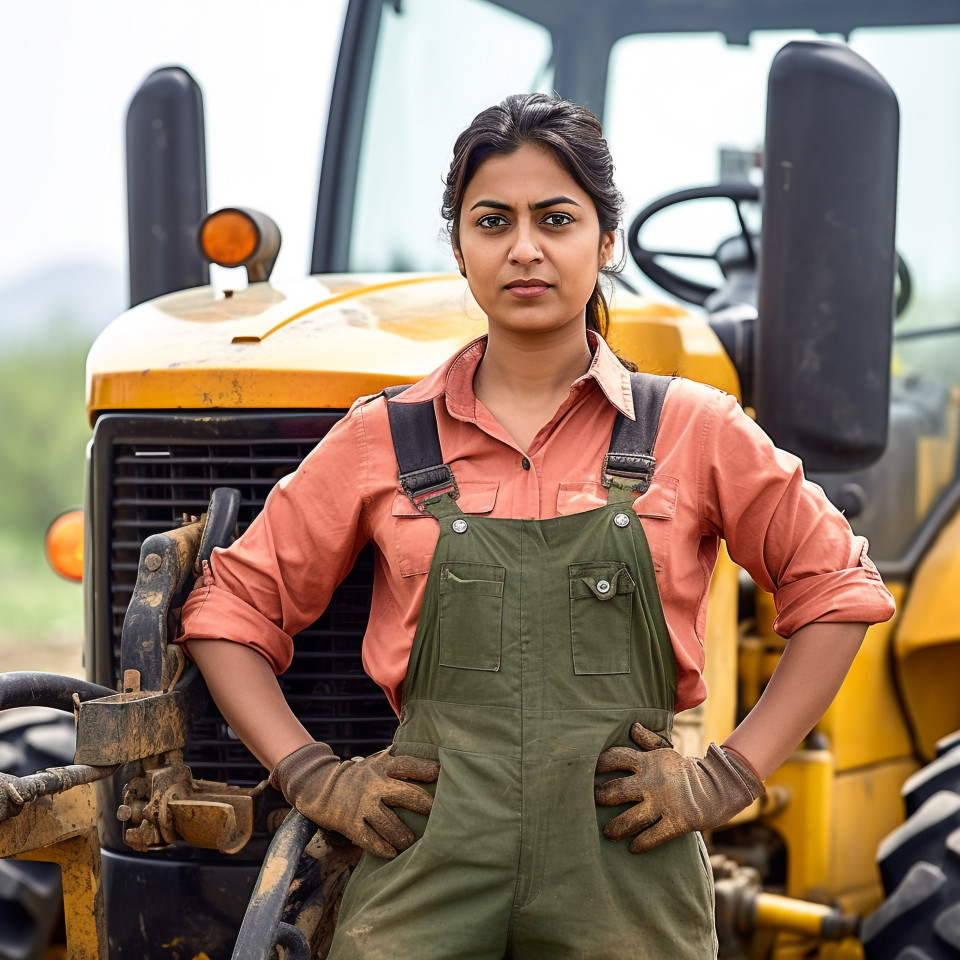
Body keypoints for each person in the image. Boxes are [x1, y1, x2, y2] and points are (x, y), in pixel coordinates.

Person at [177, 93, 895, 959]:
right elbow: (226, 611)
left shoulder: (693, 429)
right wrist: (311, 775)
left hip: (628, 874)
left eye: (556, 218)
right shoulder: (382, 438)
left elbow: (841, 590)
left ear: (605, 241)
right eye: (493, 221)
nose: (524, 248)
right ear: (461, 248)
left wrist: (725, 780)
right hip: (425, 865)